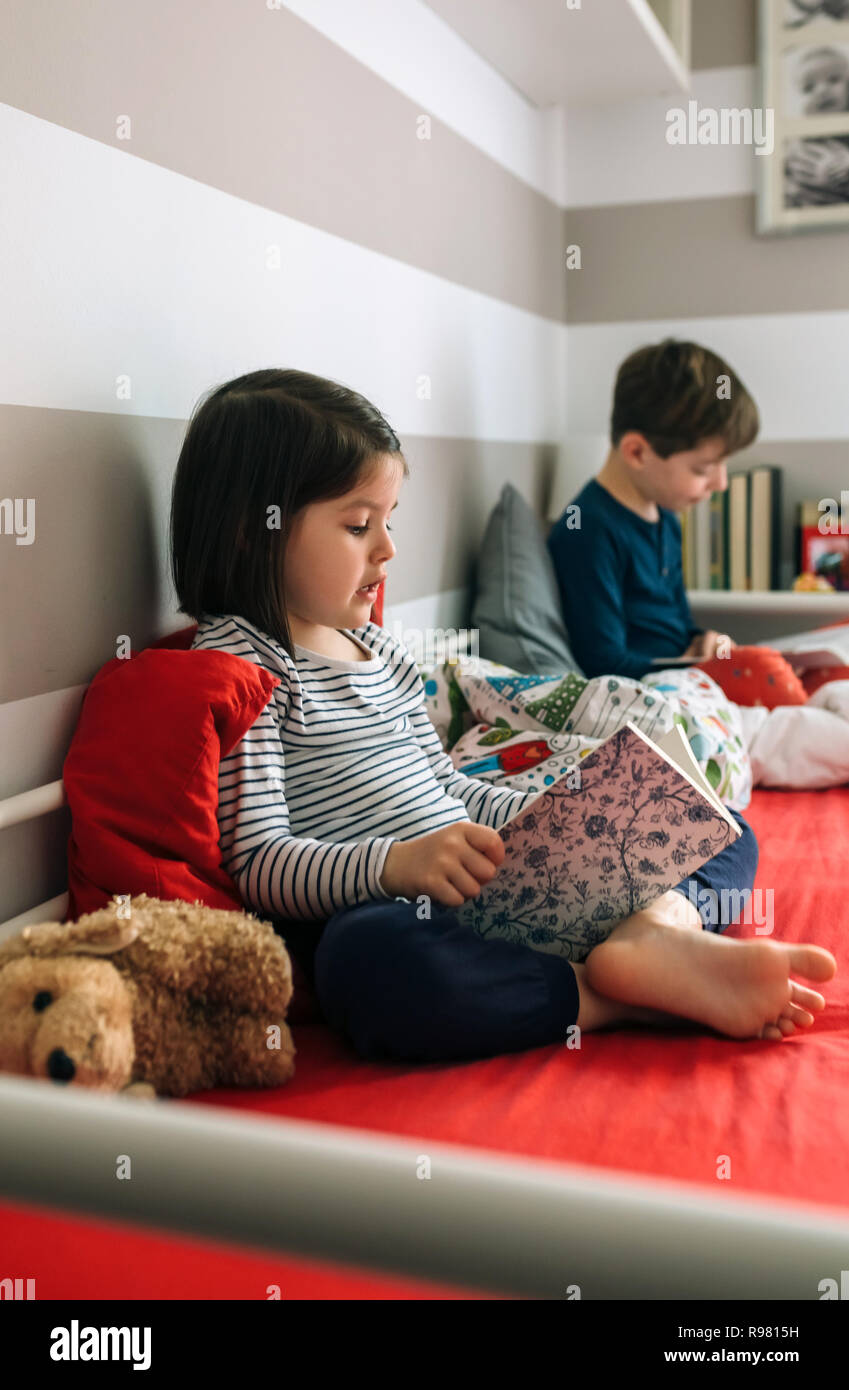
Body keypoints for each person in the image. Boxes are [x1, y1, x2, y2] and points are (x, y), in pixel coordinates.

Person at [169, 367, 835, 1062]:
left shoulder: (382, 653)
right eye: (358, 525)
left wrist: (545, 817)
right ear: (254, 531)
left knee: (719, 825)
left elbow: (445, 788)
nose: (387, 549)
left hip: (498, 889)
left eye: (387, 522)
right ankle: (604, 994)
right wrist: (394, 867)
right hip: (393, 909)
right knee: (367, 963)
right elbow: (258, 862)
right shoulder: (241, 668)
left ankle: (655, 931)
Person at [548, 339, 757, 682]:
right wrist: (697, 669)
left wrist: (702, 642)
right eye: (703, 469)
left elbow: (673, 629)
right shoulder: (588, 530)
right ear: (637, 453)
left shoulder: (666, 517)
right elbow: (604, 665)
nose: (721, 483)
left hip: (680, 684)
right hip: (646, 697)